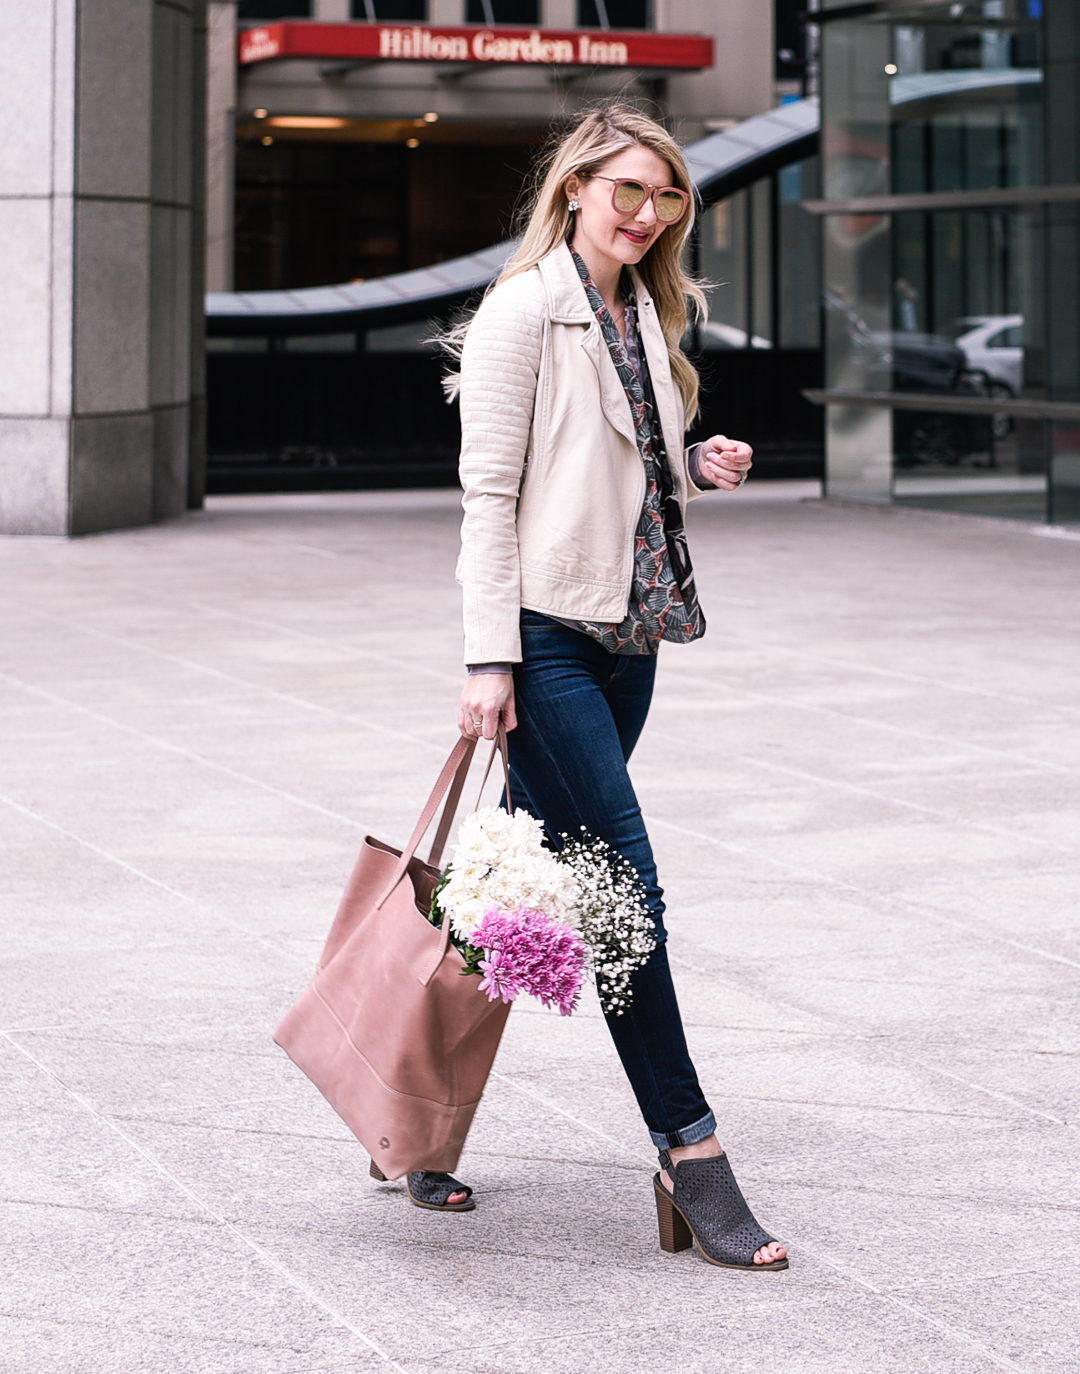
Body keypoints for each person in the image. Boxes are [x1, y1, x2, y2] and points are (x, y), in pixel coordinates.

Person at [423, 104, 788, 1271]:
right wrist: (490, 660)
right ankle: (689, 1148)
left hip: (631, 642)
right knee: (625, 890)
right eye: (626, 190)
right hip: (546, 643)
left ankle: (407, 1112)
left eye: (667, 196)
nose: (646, 214)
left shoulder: (644, 305)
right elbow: (489, 494)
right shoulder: (522, 308)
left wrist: (697, 460)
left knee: (512, 899)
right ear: (576, 185)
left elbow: (620, 451)